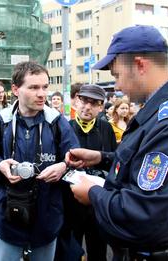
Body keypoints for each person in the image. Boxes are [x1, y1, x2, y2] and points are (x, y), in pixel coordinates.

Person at [66, 25, 168, 260]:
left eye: (117, 75)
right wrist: (103, 158)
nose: (117, 86)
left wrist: (93, 193)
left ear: (139, 65)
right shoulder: (167, 110)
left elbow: (145, 213)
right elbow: (143, 164)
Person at [0, 61, 79, 261]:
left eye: (45, 87)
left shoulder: (57, 122)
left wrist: (63, 166)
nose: (42, 94)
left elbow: (77, 160)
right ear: (15, 90)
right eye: (34, 87)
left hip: (47, 217)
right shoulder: (2, 121)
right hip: (8, 216)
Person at [67, 84, 117, 261]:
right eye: (84, 101)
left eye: (94, 103)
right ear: (76, 101)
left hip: (98, 203)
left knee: (98, 252)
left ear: (101, 107)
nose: (87, 107)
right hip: (71, 203)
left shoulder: (107, 129)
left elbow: (113, 162)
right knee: (70, 252)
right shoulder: (66, 127)